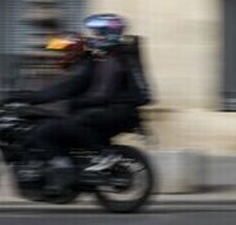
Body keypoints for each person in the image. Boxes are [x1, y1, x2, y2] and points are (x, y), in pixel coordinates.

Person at [14, 13, 152, 193]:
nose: (93, 38)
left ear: (107, 34)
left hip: (114, 110)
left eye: (97, 34)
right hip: (116, 110)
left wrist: (27, 98)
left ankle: (84, 164)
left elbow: (97, 93)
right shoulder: (109, 58)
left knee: (49, 130)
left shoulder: (112, 61)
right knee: (63, 123)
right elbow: (76, 88)